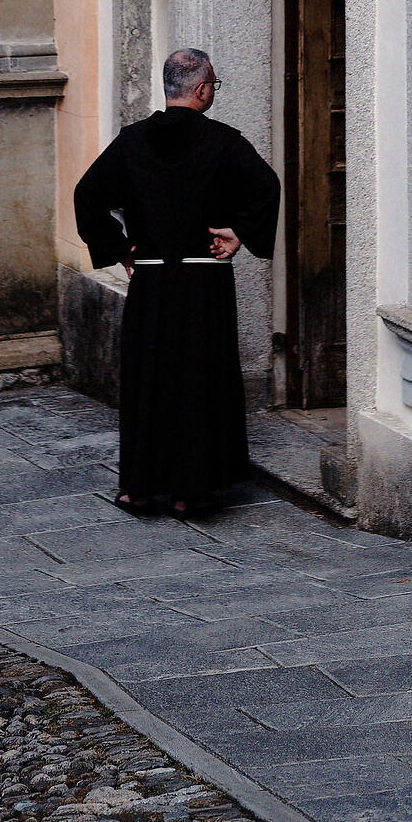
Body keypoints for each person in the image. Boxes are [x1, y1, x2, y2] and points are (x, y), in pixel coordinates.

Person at [73, 47, 280, 517]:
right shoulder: (224, 142)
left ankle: (139, 489)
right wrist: (239, 234)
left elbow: (87, 195)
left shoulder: (131, 141)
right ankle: (193, 491)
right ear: (203, 89)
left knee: (150, 379)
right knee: (199, 380)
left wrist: (121, 247)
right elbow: (266, 187)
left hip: (151, 282)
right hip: (203, 284)